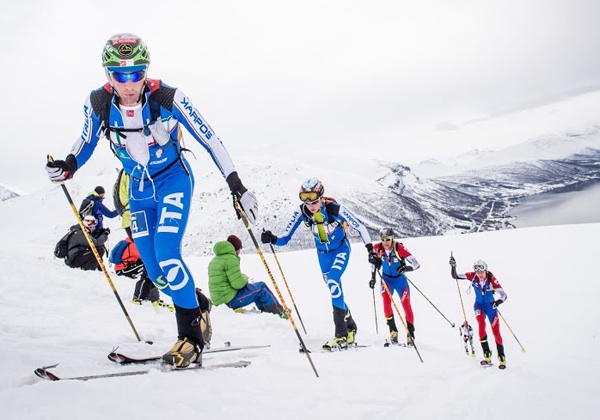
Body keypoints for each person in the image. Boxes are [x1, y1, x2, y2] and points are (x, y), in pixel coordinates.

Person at [45, 33, 258, 368]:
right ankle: (197, 306)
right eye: (120, 75)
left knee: (169, 257)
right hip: (139, 191)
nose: (129, 84)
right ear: (107, 74)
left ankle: (191, 338)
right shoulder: (98, 103)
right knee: (157, 274)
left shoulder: (168, 97)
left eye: (136, 73)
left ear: (147, 71)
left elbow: (210, 139)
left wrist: (236, 185)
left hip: (173, 180)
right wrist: (68, 165)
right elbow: (85, 140)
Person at [261, 177, 373, 350]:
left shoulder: (334, 208)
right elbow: (285, 238)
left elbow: (361, 227)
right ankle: (350, 325)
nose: (311, 206)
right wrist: (273, 239)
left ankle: (341, 335)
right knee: (335, 290)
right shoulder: (302, 211)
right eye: (307, 202)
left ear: (321, 197)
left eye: (314, 201)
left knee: (334, 280)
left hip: (341, 250)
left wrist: (371, 250)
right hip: (323, 255)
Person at [450, 256, 507, 368]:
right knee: (481, 326)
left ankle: (501, 357)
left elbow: (504, 295)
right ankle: (487, 354)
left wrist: (498, 302)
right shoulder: (472, 276)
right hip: (479, 306)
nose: (480, 274)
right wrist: (453, 266)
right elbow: (455, 276)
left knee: (496, 332)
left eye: (481, 272)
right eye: (477, 271)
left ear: (485, 270)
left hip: (491, 308)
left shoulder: (492, 279)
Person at [208, 235, 286, 317]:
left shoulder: (215, 260)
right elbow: (237, 284)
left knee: (255, 290)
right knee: (261, 288)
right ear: (237, 248)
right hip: (230, 301)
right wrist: (245, 278)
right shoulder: (230, 259)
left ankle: (268, 313)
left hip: (220, 301)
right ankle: (279, 313)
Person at [368, 227, 421, 346]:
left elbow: (416, 264)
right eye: (383, 239)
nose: (385, 242)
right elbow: (373, 263)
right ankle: (393, 331)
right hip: (386, 280)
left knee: (406, 305)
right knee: (386, 302)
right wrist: (373, 278)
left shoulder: (399, 248)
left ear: (392, 239)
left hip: (400, 281)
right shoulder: (378, 248)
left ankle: (410, 333)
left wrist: (406, 268)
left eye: (388, 239)